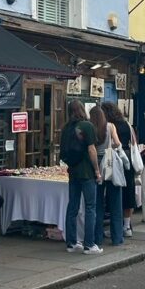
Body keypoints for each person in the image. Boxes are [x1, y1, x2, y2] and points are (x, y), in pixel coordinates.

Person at [59, 100, 102, 254]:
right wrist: (97, 170)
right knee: (90, 207)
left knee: (73, 206)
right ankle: (89, 244)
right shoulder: (87, 126)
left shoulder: (66, 128)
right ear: (82, 110)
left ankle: (71, 243)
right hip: (87, 172)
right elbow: (91, 149)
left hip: (73, 171)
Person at [90, 104, 123, 248]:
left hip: (96, 164)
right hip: (109, 163)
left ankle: (97, 238)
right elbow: (117, 143)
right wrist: (110, 148)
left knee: (97, 203)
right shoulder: (110, 126)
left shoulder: (90, 127)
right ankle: (117, 237)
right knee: (115, 201)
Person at [102, 101, 135, 240]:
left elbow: (115, 143)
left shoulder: (110, 125)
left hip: (115, 159)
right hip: (127, 158)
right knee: (128, 192)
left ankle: (117, 228)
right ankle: (127, 226)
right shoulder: (127, 124)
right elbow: (134, 141)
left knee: (115, 193)